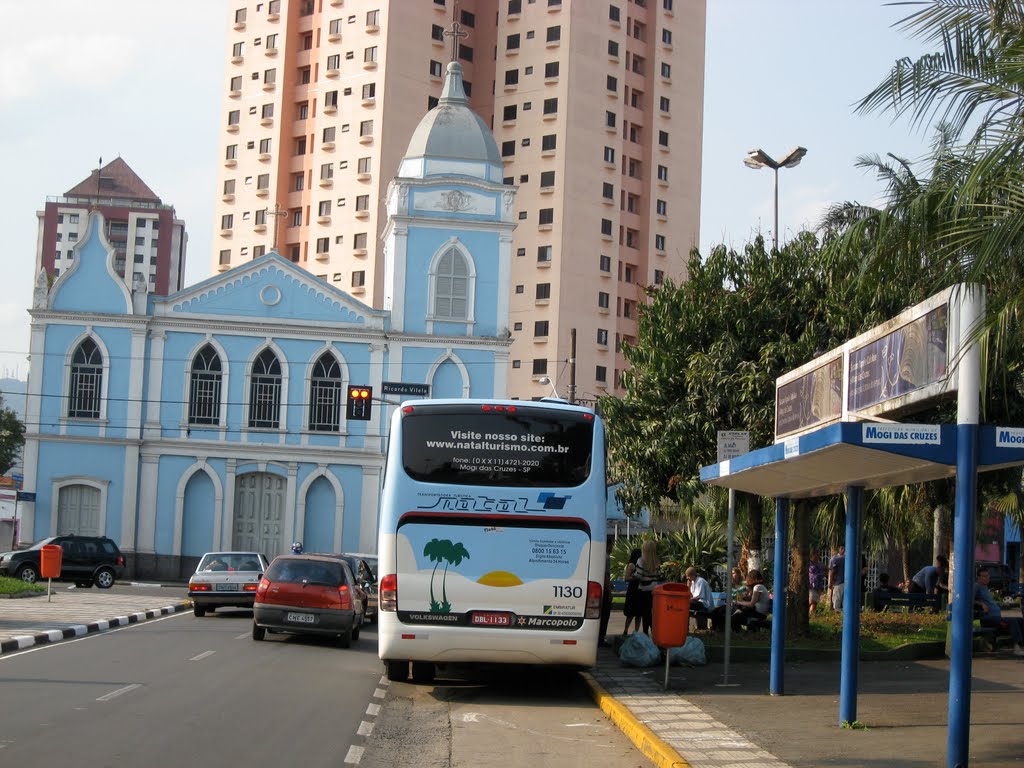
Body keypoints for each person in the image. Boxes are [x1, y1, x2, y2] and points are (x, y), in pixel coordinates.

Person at [974, 566, 1024, 656]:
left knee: (1019, 618)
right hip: (988, 618)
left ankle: (1021, 645)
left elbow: (992, 603)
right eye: (984, 576)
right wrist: (981, 604)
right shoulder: (976, 586)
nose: (987, 578)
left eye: (988, 576)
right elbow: (968, 599)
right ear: (978, 577)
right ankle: (1017, 647)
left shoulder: (985, 588)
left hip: (998, 615)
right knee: (1012, 620)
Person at [634, 540, 662, 635]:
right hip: (655, 590)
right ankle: (655, 631)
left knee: (644, 614)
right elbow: (660, 575)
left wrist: (632, 575)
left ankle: (645, 633)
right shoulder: (657, 561)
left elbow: (639, 575)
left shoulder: (641, 560)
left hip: (644, 590)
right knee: (652, 613)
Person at [621, 547, 642, 636]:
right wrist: (634, 577)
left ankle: (636, 632)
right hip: (633, 590)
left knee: (638, 613)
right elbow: (626, 578)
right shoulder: (631, 565)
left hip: (639, 590)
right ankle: (626, 630)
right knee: (631, 613)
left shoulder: (640, 565)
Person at [808, 551, 826, 616]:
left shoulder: (819, 564)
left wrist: (823, 574)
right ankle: (811, 615)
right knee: (812, 601)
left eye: (818, 555)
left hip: (818, 585)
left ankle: (811, 615)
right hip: (811, 585)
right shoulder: (809, 563)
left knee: (814, 602)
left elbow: (826, 568)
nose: (818, 557)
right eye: (816, 555)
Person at [828, 545, 846, 611]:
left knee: (836, 603)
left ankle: (836, 616)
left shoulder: (835, 559)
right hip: (847, 583)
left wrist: (830, 582)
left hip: (838, 584)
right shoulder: (850, 559)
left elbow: (832, 572)